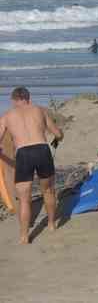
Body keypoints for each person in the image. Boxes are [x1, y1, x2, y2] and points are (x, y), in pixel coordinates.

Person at [0, 87, 63, 245]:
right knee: (48, 191)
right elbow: (58, 133)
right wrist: (58, 138)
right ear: (28, 98)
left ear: (15, 100)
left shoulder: (7, 115)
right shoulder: (40, 110)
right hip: (42, 150)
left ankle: (24, 237)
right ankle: (51, 224)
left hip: (23, 154)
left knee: (24, 199)